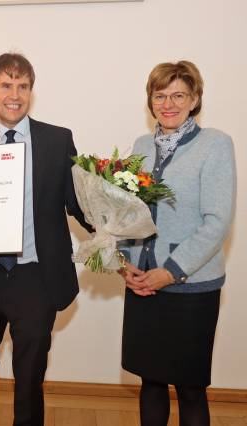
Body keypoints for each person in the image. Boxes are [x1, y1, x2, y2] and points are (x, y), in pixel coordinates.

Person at [0, 53, 91, 426]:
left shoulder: (58, 141)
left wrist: (117, 216)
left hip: (36, 277)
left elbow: (77, 204)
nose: (14, 95)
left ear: (31, 90)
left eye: (23, 86)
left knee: (29, 382)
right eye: (5, 85)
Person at [118, 61, 236, 425]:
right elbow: (125, 212)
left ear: (195, 99)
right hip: (142, 286)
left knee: (190, 388)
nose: (168, 103)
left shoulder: (215, 144)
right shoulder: (140, 145)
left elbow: (217, 222)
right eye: (160, 95)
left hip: (190, 290)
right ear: (150, 100)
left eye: (178, 95)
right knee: (150, 382)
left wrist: (168, 273)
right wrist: (124, 262)